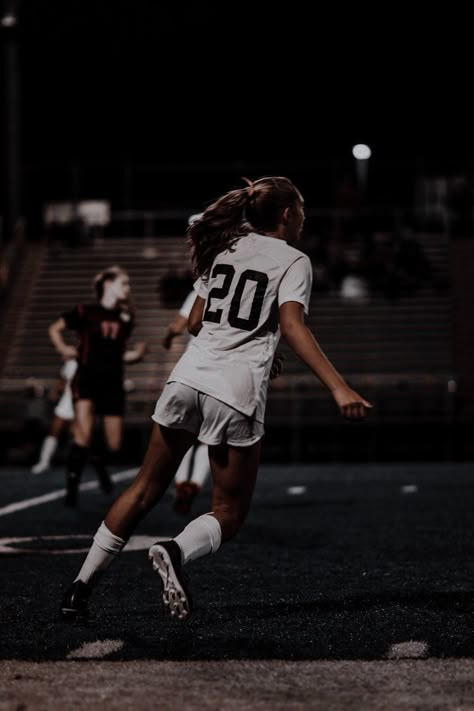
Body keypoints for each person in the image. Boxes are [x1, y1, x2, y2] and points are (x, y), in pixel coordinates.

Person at [60, 176, 371, 622]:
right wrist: (339, 388)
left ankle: (78, 589)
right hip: (234, 390)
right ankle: (176, 550)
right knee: (228, 512)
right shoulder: (294, 260)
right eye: (301, 209)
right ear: (286, 214)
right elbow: (294, 326)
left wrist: (259, 343)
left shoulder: (224, 247)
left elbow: (193, 323)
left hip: (186, 378)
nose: (304, 217)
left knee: (144, 489)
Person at [48, 266, 147, 506]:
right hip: (87, 378)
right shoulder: (85, 311)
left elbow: (119, 353)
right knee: (82, 435)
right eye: (124, 284)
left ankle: (99, 463)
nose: (128, 289)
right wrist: (63, 349)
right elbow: (55, 329)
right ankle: (71, 491)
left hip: (113, 382)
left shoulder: (125, 318)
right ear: (108, 284)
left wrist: (136, 355)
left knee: (115, 444)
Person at [31, 358, 78, 474]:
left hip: (81, 400)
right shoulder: (70, 362)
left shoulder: (90, 360)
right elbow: (63, 379)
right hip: (67, 399)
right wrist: (55, 390)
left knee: (76, 433)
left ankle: (76, 462)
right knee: (54, 430)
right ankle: (44, 462)